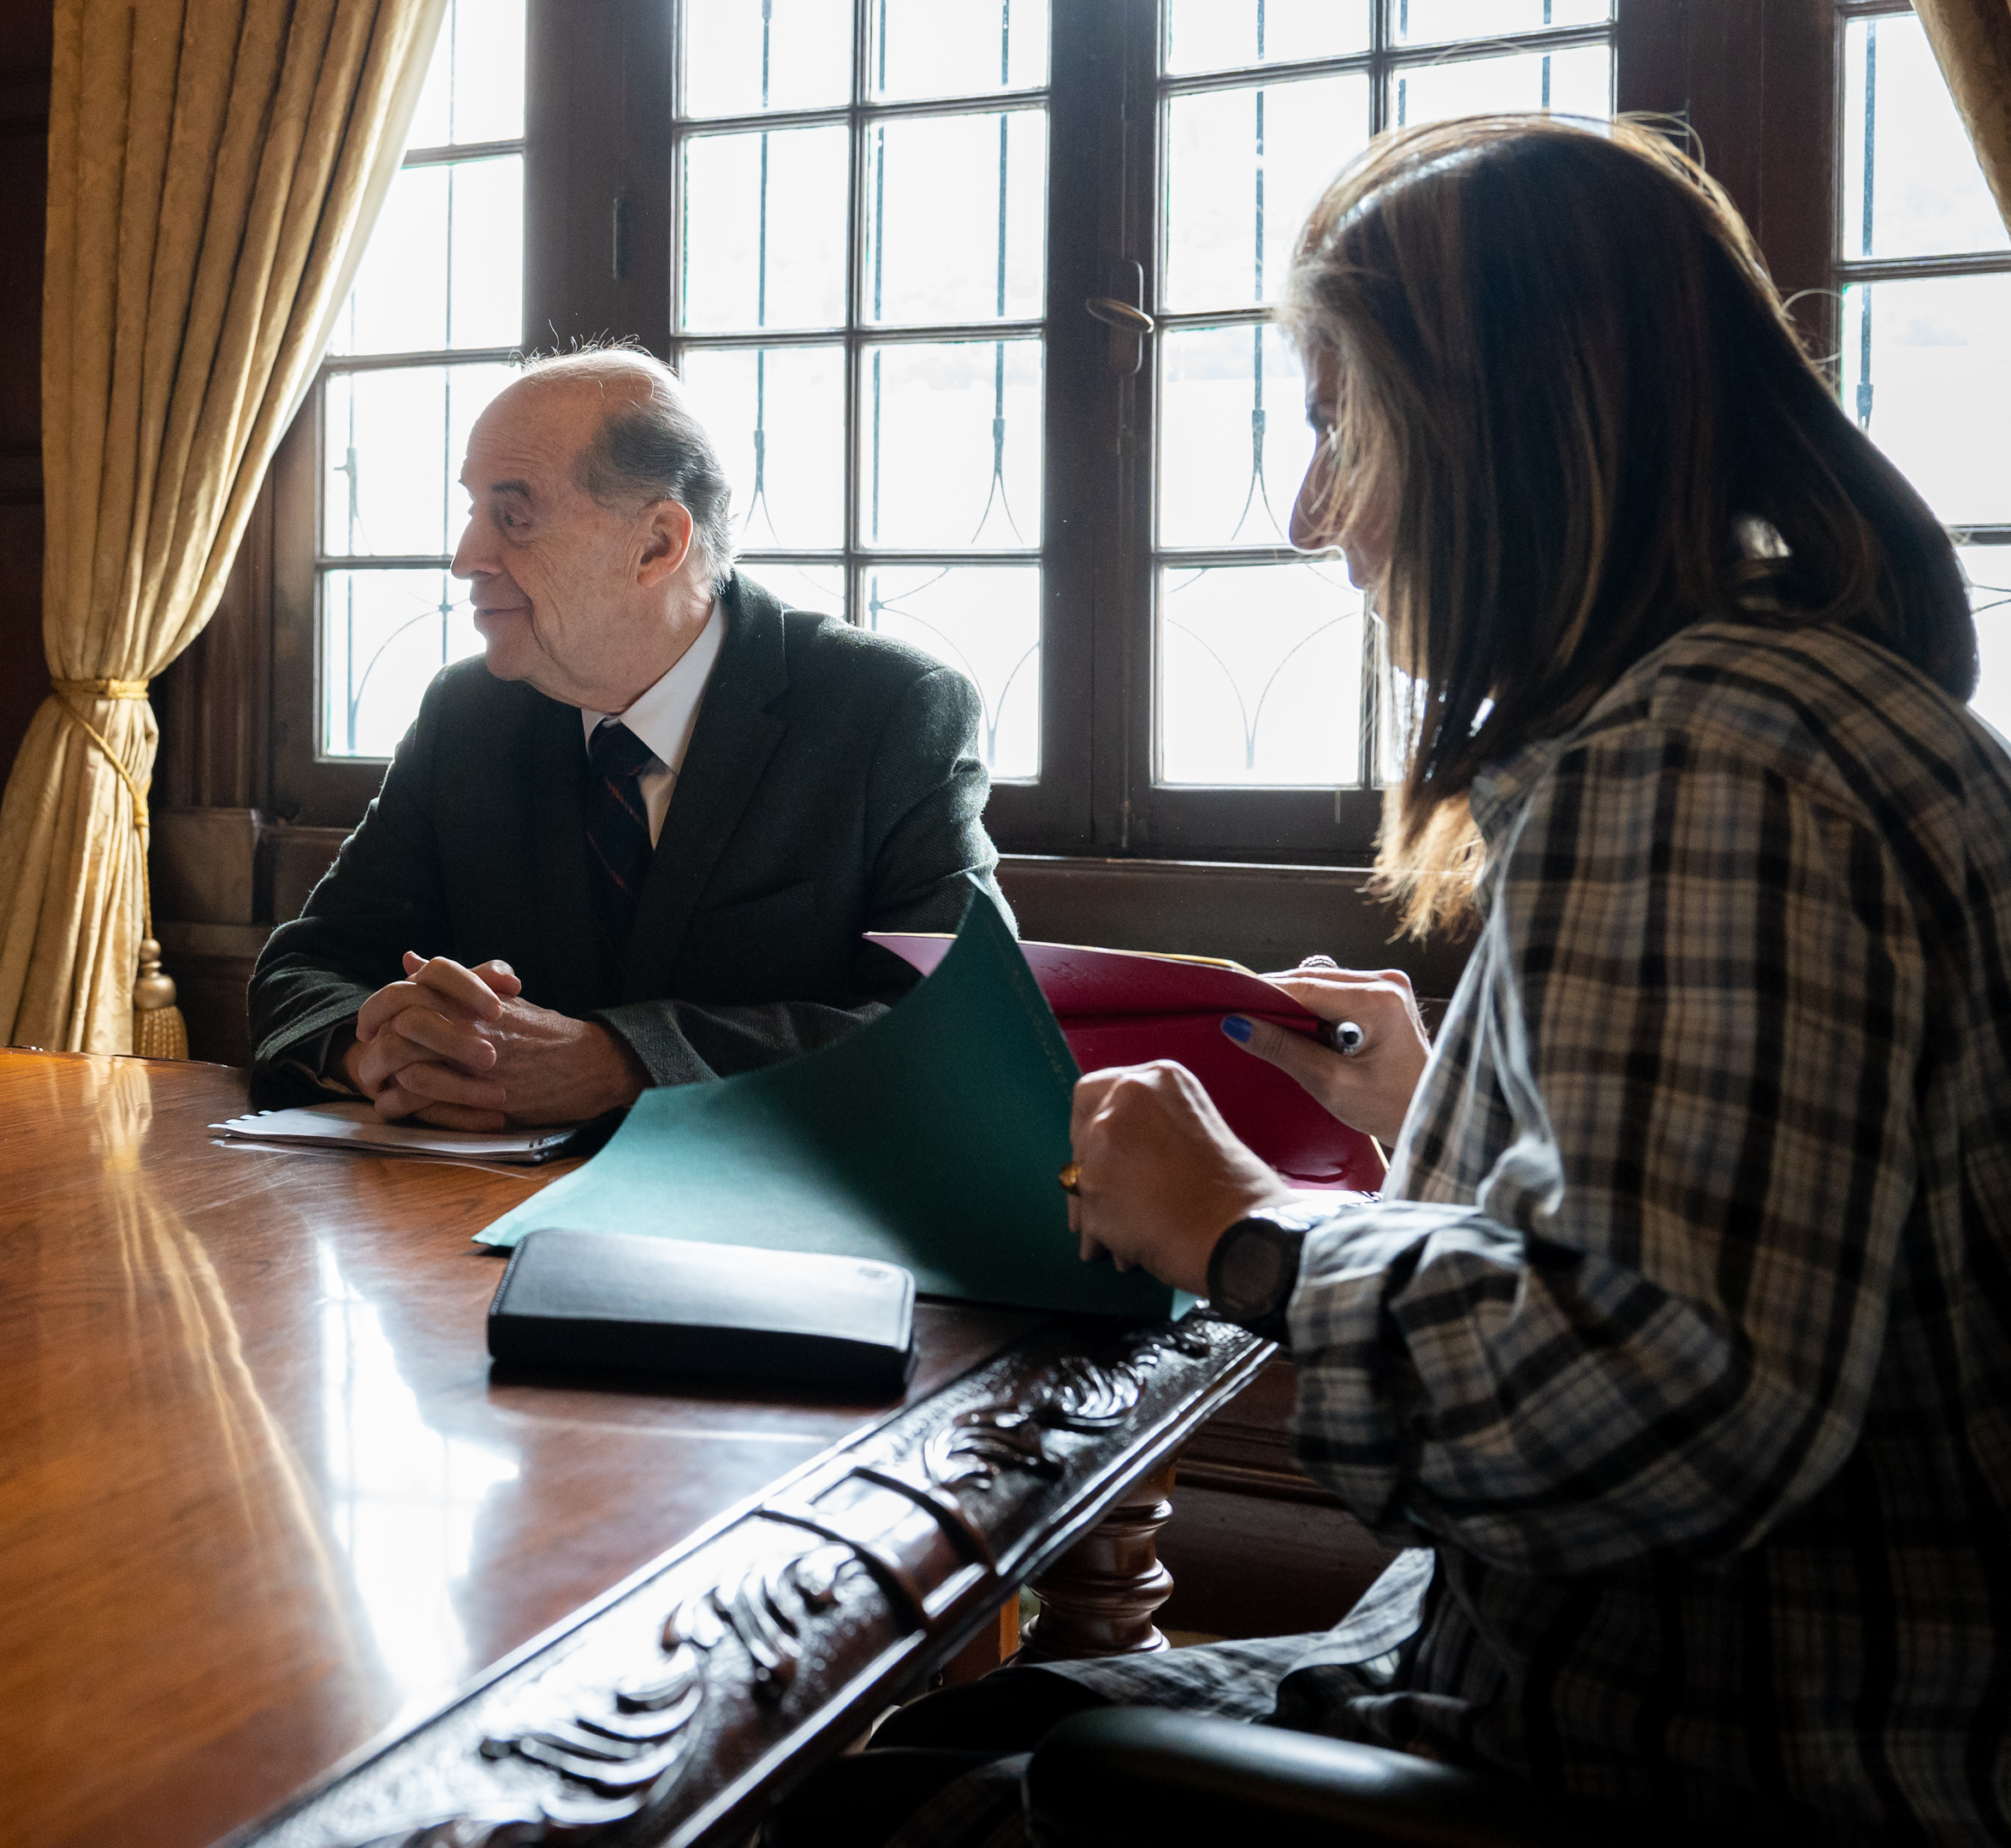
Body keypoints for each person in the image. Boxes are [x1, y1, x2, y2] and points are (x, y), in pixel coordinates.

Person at [805, 116, 2011, 1845]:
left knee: (883, 1799)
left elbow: (1654, 1396)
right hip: (1590, 1690)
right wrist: (1456, 1090)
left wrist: (1232, 1218)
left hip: (1687, 1759)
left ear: (1497, 426)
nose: (1311, 515)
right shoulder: (1797, 712)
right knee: (959, 1732)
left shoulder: (1698, 767)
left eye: (1332, 424)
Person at [246, 346, 1003, 1127]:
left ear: (656, 545)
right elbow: (303, 971)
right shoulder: (467, 716)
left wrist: (624, 1064)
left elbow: (968, 1024)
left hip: (774, 1222)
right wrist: (377, 1049)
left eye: (513, 516)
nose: (466, 557)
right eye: (472, 511)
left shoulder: (888, 710)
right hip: (458, 1220)